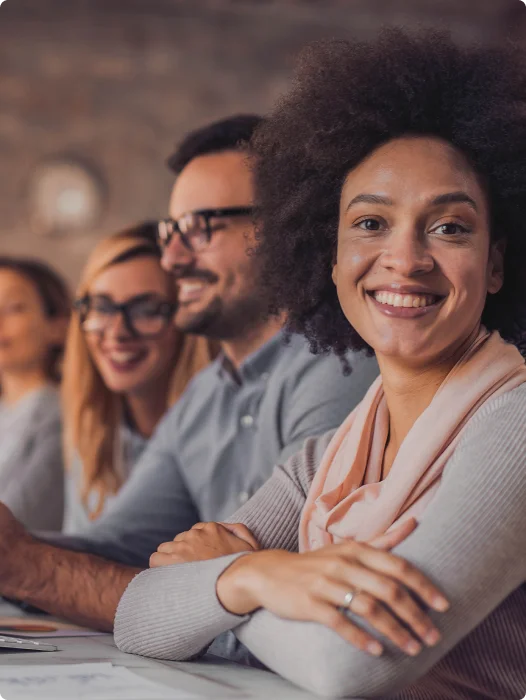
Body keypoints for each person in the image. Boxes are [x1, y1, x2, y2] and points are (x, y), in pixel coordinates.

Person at [114, 32, 526, 699]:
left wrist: (232, 572)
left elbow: (354, 665)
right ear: (327, 258)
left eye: (449, 227)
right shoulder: (325, 459)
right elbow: (138, 614)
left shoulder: (516, 428)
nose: (406, 258)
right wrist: (258, 576)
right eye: (370, 224)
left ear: (497, 262)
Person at [0, 115, 378, 632]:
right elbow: (123, 545)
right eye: (170, 231)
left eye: (200, 228)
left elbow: (275, 600)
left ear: (288, 227)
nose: (173, 259)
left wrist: (24, 565)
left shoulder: (342, 367)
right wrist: (15, 549)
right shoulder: (207, 391)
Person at [62, 223, 215, 533]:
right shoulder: (92, 431)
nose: (118, 333)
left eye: (146, 310)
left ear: (185, 320)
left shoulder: (216, 427)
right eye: (102, 308)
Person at [0, 256, 70, 530]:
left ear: (58, 327)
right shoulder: (6, 413)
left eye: (14, 307)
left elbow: (14, 529)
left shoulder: (62, 418)